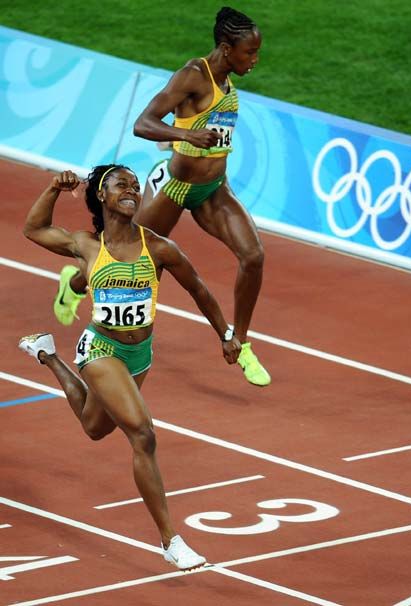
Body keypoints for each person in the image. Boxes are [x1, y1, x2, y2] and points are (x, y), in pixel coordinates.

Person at [19, 165, 241, 571]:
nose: (133, 190)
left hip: (140, 355)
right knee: (142, 433)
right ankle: (171, 540)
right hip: (101, 349)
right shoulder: (86, 245)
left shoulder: (159, 248)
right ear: (101, 196)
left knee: (94, 428)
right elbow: (34, 229)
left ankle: (47, 355)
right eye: (122, 184)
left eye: (136, 186)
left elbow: (199, 289)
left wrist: (226, 334)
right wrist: (53, 188)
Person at [54, 6, 271, 387]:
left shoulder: (226, 81)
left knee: (253, 256)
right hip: (174, 188)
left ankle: (243, 341)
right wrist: (185, 136)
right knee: (122, 259)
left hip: (213, 190)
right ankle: (73, 284)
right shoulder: (192, 76)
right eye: (249, 53)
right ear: (225, 48)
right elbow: (143, 124)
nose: (254, 60)